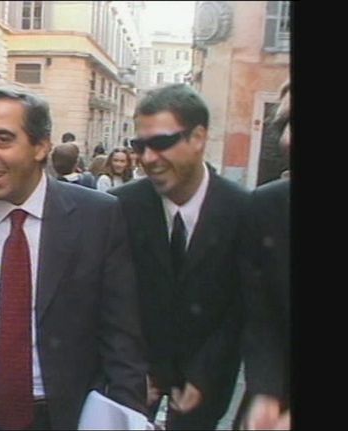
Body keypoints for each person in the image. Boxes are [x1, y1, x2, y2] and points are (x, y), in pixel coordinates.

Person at [0, 86, 148, 430]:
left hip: (67, 416)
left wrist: (125, 414)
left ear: (41, 146)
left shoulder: (97, 216)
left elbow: (122, 335)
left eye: (2, 140)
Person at [109, 83, 249, 430]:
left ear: (198, 137)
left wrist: (203, 375)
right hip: (133, 380)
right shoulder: (120, 207)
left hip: (207, 383)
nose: (148, 158)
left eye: (162, 143)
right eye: (140, 146)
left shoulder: (243, 211)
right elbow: (111, 300)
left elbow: (241, 309)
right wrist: (132, 371)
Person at [237, 80, 291, 430]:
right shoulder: (267, 206)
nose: (287, 138)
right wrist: (266, 392)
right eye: (285, 123)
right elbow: (261, 316)